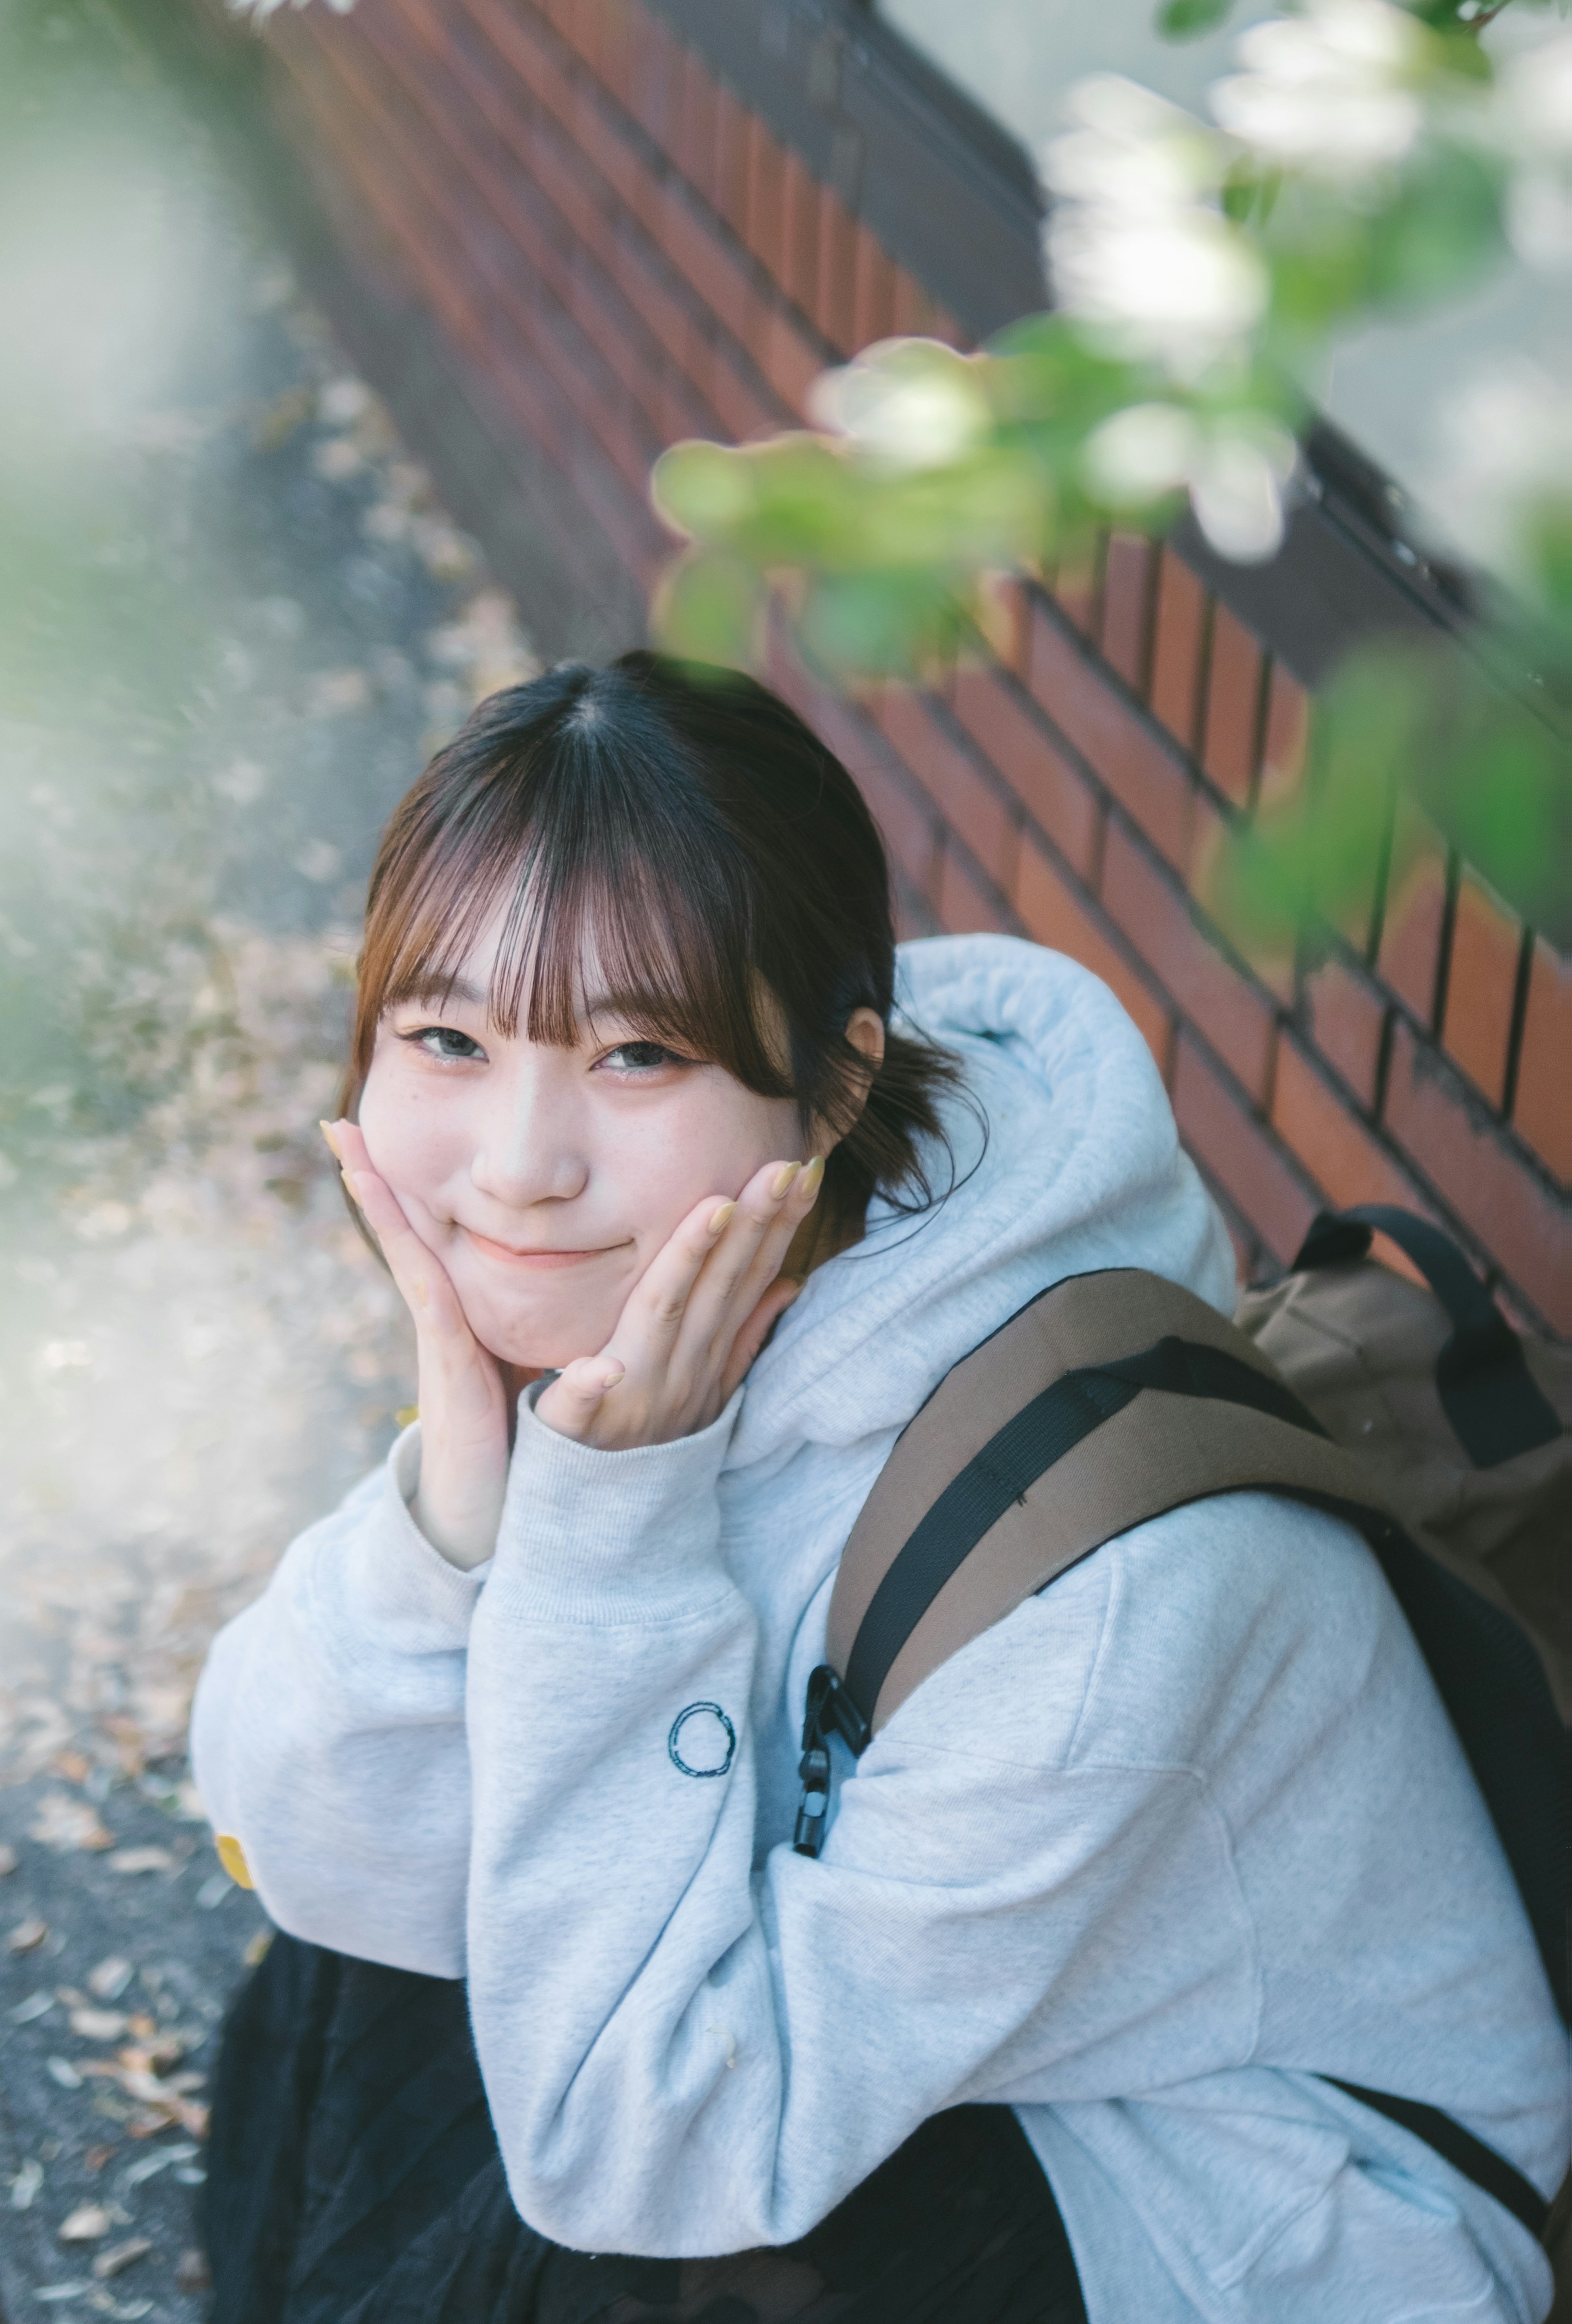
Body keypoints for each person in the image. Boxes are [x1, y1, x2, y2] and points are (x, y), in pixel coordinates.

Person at [191, 653, 1566, 2324]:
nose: (519, 1163)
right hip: (949, 2026)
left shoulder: (1103, 1593)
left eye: (635, 1056)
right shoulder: (682, 1316)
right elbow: (303, 1843)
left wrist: (607, 1525)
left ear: (836, 1087)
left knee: (637, 2269)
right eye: (447, 1038)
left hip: (1245, 2193)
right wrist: (462, 1513)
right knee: (398, 1930)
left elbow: (643, 2161)